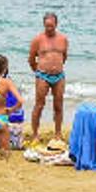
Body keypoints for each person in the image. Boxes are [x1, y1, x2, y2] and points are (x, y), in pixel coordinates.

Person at [28, 12, 68, 142]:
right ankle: (35, 134)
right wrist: (38, 71)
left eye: (51, 26)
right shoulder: (38, 40)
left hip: (59, 76)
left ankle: (57, 133)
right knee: (39, 105)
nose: (49, 29)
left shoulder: (63, 39)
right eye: (46, 26)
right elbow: (31, 59)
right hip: (42, 75)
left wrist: (57, 67)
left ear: (56, 24)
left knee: (58, 105)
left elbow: (64, 56)